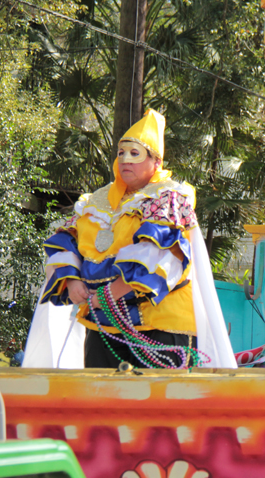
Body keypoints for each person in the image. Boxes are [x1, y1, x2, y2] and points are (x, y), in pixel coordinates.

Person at [23, 109, 237, 369]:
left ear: (156, 162)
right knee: (101, 402)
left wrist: (109, 294)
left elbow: (160, 256)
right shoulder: (94, 201)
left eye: (135, 154)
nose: (125, 160)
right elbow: (66, 240)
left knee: (155, 405)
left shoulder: (169, 198)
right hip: (102, 324)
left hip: (160, 324)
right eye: (121, 153)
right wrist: (71, 281)